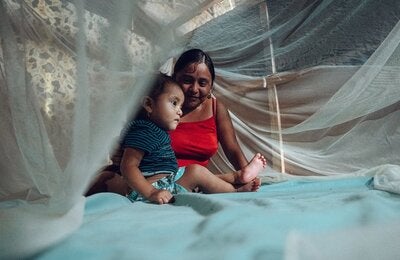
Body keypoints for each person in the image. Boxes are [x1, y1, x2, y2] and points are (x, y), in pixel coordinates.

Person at [90, 73, 267, 204]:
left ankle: (237, 177)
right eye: (174, 103)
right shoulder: (143, 130)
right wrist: (150, 192)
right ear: (149, 104)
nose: (180, 111)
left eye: (180, 105)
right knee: (196, 172)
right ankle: (234, 190)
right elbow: (128, 166)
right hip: (159, 186)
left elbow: (232, 146)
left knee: (196, 173)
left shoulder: (153, 128)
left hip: (169, 179)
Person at [170, 48, 249, 173]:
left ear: (211, 86)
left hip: (197, 185)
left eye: (202, 83)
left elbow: (233, 151)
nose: (194, 89)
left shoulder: (216, 108)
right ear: (174, 78)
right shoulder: (157, 107)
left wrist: (249, 176)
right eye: (187, 80)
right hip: (158, 183)